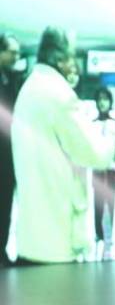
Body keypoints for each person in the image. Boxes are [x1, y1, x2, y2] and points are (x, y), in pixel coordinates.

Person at [11, 27, 115, 264]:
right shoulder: (60, 96)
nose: (74, 64)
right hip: (56, 241)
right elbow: (97, 154)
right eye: (71, 57)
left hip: (30, 236)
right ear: (60, 59)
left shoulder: (29, 88)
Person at [91, 86, 115, 260]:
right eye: (100, 100)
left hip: (111, 171)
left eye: (105, 99)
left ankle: (109, 239)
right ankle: (99, 236)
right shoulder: (92, 124)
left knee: (111, 205)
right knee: (98, 205)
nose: (102, 103)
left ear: (110, 102)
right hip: (97, 170)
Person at [0, 33, 22, 267]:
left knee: (5, 204)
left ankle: (2, 252)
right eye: (12, 52)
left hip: (7, 156)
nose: (17, 56)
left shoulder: (10, 80)